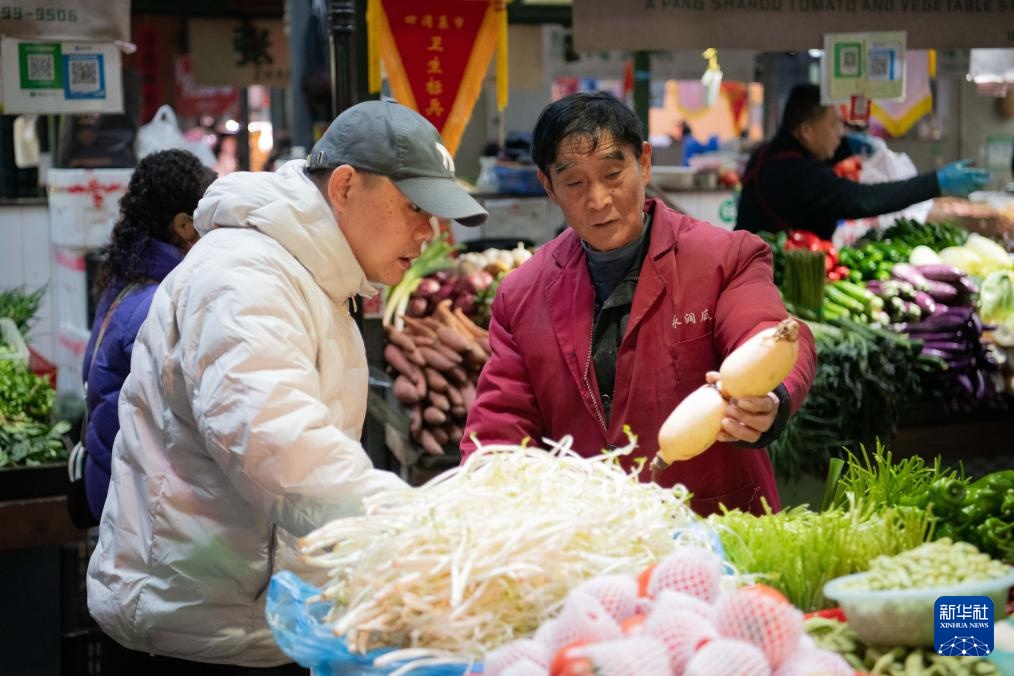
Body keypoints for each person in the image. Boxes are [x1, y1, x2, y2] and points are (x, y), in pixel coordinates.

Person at [86, 100, 488, 671]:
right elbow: (278, 445)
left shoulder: (310, 275)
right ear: (346, 186)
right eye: (415, 207)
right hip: (192, 633)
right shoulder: (245, 276)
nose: (429, 232)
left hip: (250, 619)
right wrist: (415, 530)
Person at [460, 92, 816, 516]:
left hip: (718, 527)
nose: (598, 200)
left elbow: (768, 334)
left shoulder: (724, 258)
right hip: (589, 539)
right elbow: (501, 424)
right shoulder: (523, 293)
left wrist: (771, 398)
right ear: (548, 186)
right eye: (574, 182)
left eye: (613, 174)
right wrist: (484, 502)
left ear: (643, 163)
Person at [80, 149, 215, 524]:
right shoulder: (159, 301)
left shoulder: (129, 281)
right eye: (212, 218)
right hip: (127, 497)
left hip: (109, 477)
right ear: (184, 225)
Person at [736, 83, 990, 240]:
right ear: (806, 131)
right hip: (772, 278)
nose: (840, 132)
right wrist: (936, 183)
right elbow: (862, 199)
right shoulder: (797, 174)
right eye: (834, 124)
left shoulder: (768, 153)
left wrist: (850, 147)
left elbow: (819, 154)